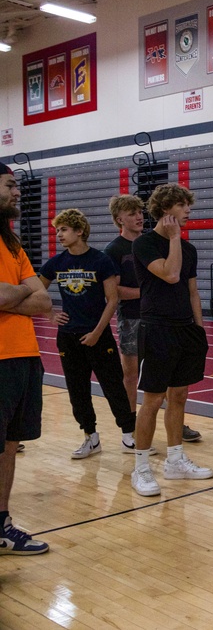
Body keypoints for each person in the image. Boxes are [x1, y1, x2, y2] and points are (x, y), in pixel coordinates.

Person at [130, 183, 213, 497]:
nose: (188, 210)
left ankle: (175, 461)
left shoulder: (189, 249)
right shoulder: (145, 244)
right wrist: (175, 238)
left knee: (179, 396)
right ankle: (141, 469)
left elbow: (191, 291)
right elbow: (170, 274)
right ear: (167, 210)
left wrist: (200, 330)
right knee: (152, 401)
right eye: (183, 205)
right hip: (157, 329)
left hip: (184, 330)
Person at [39, 208, 137, 458]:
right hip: (68, 337)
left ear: (79, 230)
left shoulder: (101, 260)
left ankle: (128, 435)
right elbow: (36, 292)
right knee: (77, 390)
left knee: (113, 386)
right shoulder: (57, 262)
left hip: (98, 335)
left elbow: (112, 300)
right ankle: (90, 438)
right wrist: (50, 313)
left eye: (63, 229)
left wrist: (96, 332)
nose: (59, 234)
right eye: (57, 230)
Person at [106, 195, 196, 447]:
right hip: (133, 317)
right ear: (118, 220)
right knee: (133, 374)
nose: (138, 217)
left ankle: (174, 423)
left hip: (162, 320)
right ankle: (129, 424)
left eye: (139, 212)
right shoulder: (116, 249)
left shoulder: (165, 244)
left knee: (168, 379)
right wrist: (150, 290)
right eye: (131, 213)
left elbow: (182, 283)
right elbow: (113, 290)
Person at [0, 162, 50, 555]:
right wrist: (18, 293)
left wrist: (11, 293)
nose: (17, 192)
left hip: (23, 356)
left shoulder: (13, 244)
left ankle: (1, 523)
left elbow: (44, 300)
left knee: (9, 445)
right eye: (10, 185)